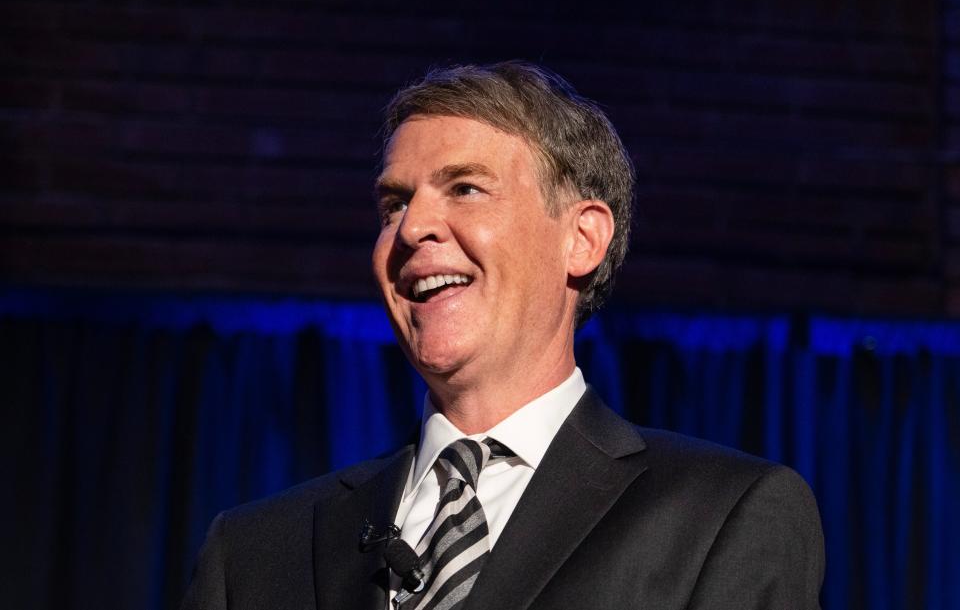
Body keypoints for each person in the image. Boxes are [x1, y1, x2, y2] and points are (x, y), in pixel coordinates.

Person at [181, 61, 824, 610]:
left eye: (465, 188)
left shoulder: (722, 517)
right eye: (394, 205)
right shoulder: (252, 555)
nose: (410, 231)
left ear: (582, 239)